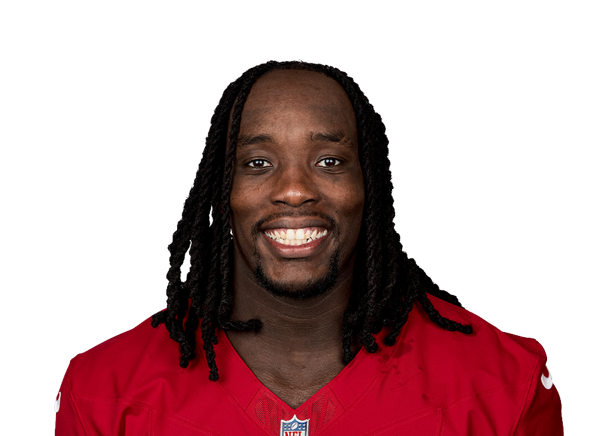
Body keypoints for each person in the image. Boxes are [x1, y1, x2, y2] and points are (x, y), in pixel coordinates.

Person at [54, 59, 564, 435]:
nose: (295, 190)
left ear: (369, 185)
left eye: (329, 162)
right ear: (219, 191)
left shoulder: (502, 383)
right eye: (257, 163)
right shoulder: (103, 391)